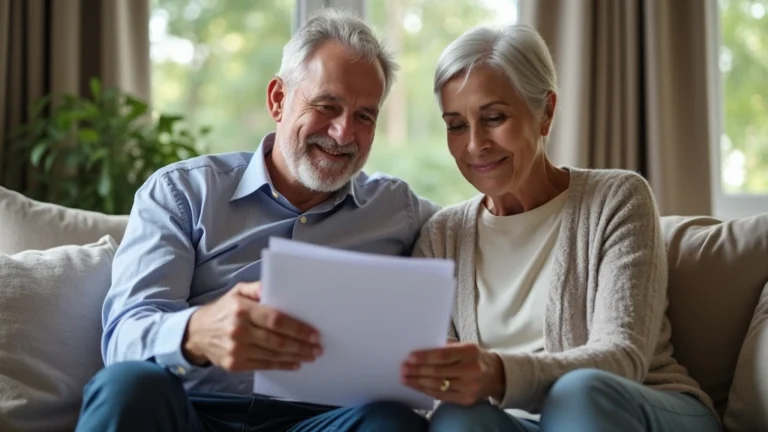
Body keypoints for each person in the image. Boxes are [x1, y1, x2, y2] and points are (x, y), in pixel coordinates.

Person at [75, 9, 439, 432]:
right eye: (327, 105)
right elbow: (123, 339)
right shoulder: (181, 193)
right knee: (128, 385)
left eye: (364, 117)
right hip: (195, 411)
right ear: (278, 100)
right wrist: (194, 332)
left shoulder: (398, 209)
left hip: (324, 421)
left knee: (390, 422)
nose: (343, 134)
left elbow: (486, 231)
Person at [400, 24, 722, 432]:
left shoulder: (618, 198)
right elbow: (427, 380)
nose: (474, 144)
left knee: (578, 394)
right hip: (520, 424)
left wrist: (498, 373)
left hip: (641, 405)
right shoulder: (441, 236)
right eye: (456, 125)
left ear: (546, 112)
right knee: (456, 417)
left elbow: (623, 356)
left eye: (494, 117)